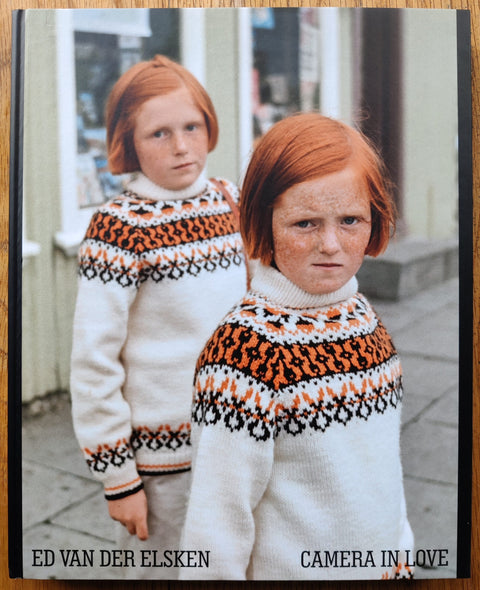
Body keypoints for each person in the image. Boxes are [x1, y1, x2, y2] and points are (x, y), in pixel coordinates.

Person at [180, 113, 414, 581]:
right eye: (304, 223)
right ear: (263, 222)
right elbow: (216, 525)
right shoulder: (243, 355)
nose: (330, 244)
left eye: (350, 220)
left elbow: (381, 470)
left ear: (376, 218)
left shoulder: (363, 318)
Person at [70, 55, 246, 579]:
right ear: (128, 143)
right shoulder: (119, 228)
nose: (181, 146)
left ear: (209, 125)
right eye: (159, 133)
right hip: (162, 464)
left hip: (237, 442)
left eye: (191, 126)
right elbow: (93, 361)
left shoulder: (230, 200)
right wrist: (118, 478)